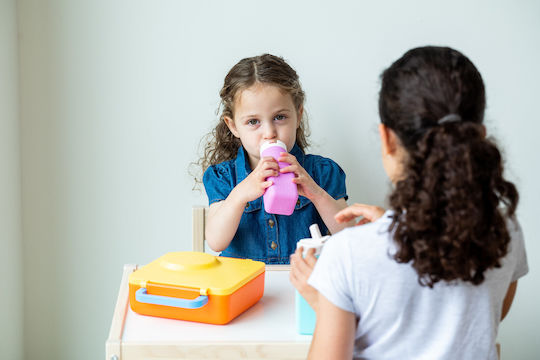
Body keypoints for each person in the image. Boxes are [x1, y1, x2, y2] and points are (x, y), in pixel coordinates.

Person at [292, 46, 528, 359]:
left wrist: (324, 301)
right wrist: (393, 224)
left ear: (387, 138)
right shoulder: (504, 230)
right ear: (478, 135)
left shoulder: (348, 254)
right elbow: (484, 319)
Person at [199, 54, 354, 264]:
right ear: (234, 126)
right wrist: (240, 195)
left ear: (298, 115)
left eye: (279, 117)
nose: (270, 132)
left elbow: (350, 238)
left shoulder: (322, 171)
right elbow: (216, 242)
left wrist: (315, 193)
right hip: (243, 287)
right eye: (253, 121)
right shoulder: (224, 177)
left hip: (304, 286)